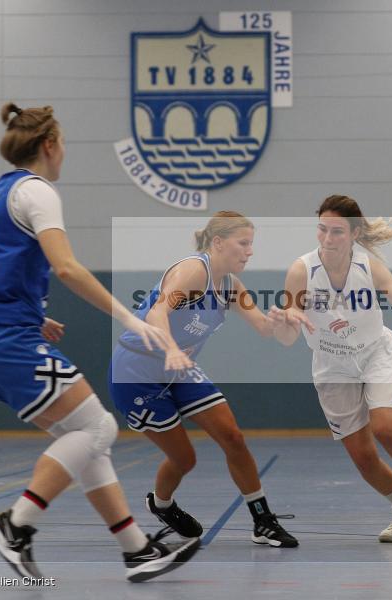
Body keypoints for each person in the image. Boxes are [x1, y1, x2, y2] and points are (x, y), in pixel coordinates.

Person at [0, 103, 200, 583]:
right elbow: (66, 267)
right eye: (63, 143)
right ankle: (15, 523)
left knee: (87, 438)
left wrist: (33, 314)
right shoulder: (37, 191)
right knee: (98, 430)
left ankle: (136, 549)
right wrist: (129, 316)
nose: (65, 152)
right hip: (3, 338)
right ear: (49, 145)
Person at [109, 211, 308, 548]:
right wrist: (171, 349)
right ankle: (161, 504)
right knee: (185, 459)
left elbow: (266, 330)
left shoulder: (230, 287)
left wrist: (286, 320)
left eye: (251, 244)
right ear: (218, 243)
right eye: (243, 243)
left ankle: (262, 520)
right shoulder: (193, 270)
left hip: (178, 368)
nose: (250, 251)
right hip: (137, 372)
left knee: (232, 437)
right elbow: (159, 311)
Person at [268, 195, 392, 543]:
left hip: (374, 354)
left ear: (354, 234)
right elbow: (285, 337)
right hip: (331, 365)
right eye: (322, 229)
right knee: (363, 456)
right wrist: (286, 320)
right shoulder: (301, 270)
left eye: (336, 231)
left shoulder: (368, 266)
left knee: (386, 427)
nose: (327, 238)